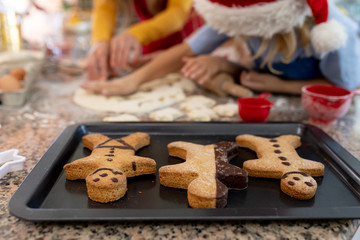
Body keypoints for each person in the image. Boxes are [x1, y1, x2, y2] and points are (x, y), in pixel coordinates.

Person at [82, 0, 360, 96]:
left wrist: (279, 86)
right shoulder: (240, 14)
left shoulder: (334, 35)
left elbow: (345, 90)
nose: (238, 33)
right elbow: (188, 49)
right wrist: (134, 81)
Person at [86, 0, 203, 81]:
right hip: (151, 41)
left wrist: (135, 34)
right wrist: (100, 41)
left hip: (188, 42)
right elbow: (104, 8)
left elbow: (177, 14)